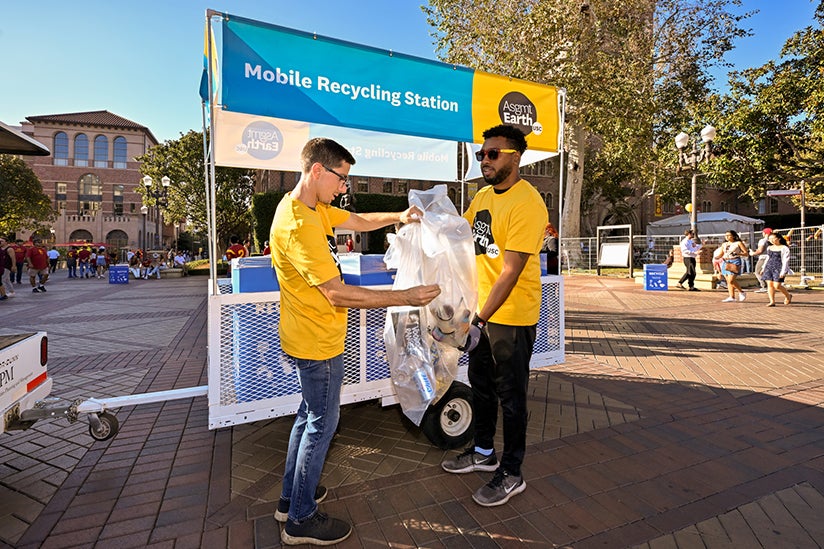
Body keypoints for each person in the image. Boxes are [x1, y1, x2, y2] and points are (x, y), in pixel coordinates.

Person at [269, 137, 440, 546]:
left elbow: (357, 221)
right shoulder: (298, 225)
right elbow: (337, 293)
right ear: (316, 171)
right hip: (317, 341)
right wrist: (406, 296)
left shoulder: (306, 208)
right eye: (341, 178)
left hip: (305, 334)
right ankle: (302, 518)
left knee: (307, 417)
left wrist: (400, 215)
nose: (345, 187)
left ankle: (290, 498)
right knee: (321, 426)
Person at [441, 124, 548, 508]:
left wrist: (480, 320)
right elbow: (459, 233)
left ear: (515, 157)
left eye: (492, 154)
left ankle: (513, 471)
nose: (483, 160)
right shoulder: (483, 195)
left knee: (511, 395)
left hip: (510, 316)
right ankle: (484, 452)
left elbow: (511, 270)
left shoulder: (528, 203)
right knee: (480, 384)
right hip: (480, 313)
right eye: (480, 154)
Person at [761, 232, 793, 306]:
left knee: (777, 285)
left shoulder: (784, 248)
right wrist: (763, 268)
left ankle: (788, 296)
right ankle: (772, 301)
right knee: (769, 284)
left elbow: (785, 260)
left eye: (773, 238)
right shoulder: (769, 247)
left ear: (778, 238)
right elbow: (768, 258)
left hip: (779, 267)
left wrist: (783, 271)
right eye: (770, 239)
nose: (771, 240)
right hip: (769, 267)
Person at [719, 229, 749, 302]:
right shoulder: (724, 244)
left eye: (729, 235)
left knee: (731, 280)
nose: (727, 237)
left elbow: (746, 253)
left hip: (734, 260)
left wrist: (738, 254)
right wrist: (717, 257)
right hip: (726, 261)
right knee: (728, 281)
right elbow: (721, 253)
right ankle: (731, 296)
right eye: (726, 235)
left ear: (733, 236)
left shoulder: (738, 243)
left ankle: (741, 292)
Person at [749, 227, 773, 293]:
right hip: (772, 257)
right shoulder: (773, 240)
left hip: (763, 258)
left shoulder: (763, 240)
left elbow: (760, 251)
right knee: (768, 273)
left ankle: (764, 286)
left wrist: (752, 253)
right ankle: (770, 286)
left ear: (764, 233)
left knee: (758, 272)